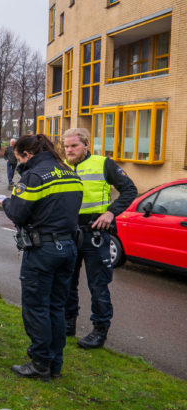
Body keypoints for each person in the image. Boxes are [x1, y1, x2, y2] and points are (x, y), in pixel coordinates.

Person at [0, 134, 83, 381]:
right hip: (68, 247)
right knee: (56, 307)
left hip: (43, 251)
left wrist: (6, 203)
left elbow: (18, 213)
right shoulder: (70, 173)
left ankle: (40, 363)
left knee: (37, 308)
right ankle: (55, 364)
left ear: (28, 154)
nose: (19, 164)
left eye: (19, 159)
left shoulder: (34, 177)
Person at [62, 128, 137, 349]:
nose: (69, 150)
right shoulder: (61, 167)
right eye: (66, 146)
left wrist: (111, 212)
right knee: (67, 282)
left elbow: (129, 190)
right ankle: (68, 323)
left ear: (86, 145)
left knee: (98, 285)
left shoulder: (103, 163)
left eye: (74, 146)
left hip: (95, 233)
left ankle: (99, 331)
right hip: (69, 233)